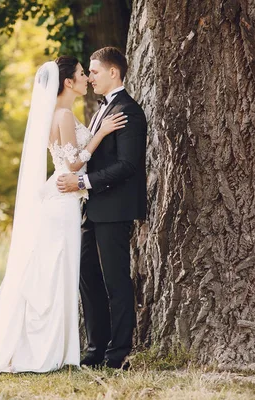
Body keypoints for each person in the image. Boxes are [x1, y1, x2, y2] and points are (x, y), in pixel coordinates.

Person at [0, 56, 126, 376]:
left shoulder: (60, 113)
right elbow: (73, 164)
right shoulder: (61, 114)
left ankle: (56, 348)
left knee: (59, 272)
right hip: (62, 203)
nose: (87, 77)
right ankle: (46, 349)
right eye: (81, 74)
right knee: (57, 273)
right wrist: (100, 133)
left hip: (65, 201)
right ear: (69, 83)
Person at [57, 47, 147, 369]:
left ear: (113, 73)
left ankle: (118, 354)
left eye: (94, 72)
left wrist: (82, 184)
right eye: (88, 72)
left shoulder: (129, 111)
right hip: (92, 211)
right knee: (88, 278)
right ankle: (95, 350)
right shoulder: (100, 111)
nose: (90, 77)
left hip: (115, 209)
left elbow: (127, 166)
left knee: (115, 282)